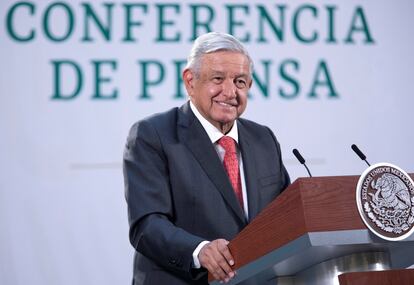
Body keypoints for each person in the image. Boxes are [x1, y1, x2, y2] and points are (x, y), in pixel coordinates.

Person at [123, 32, 290, 285]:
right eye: (218, 79)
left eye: (240, 82)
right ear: (190, 81)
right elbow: (147, 225)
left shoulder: (263, 139)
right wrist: (198, 250)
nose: (230, 91)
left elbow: (286, 215)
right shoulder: (153, 135)